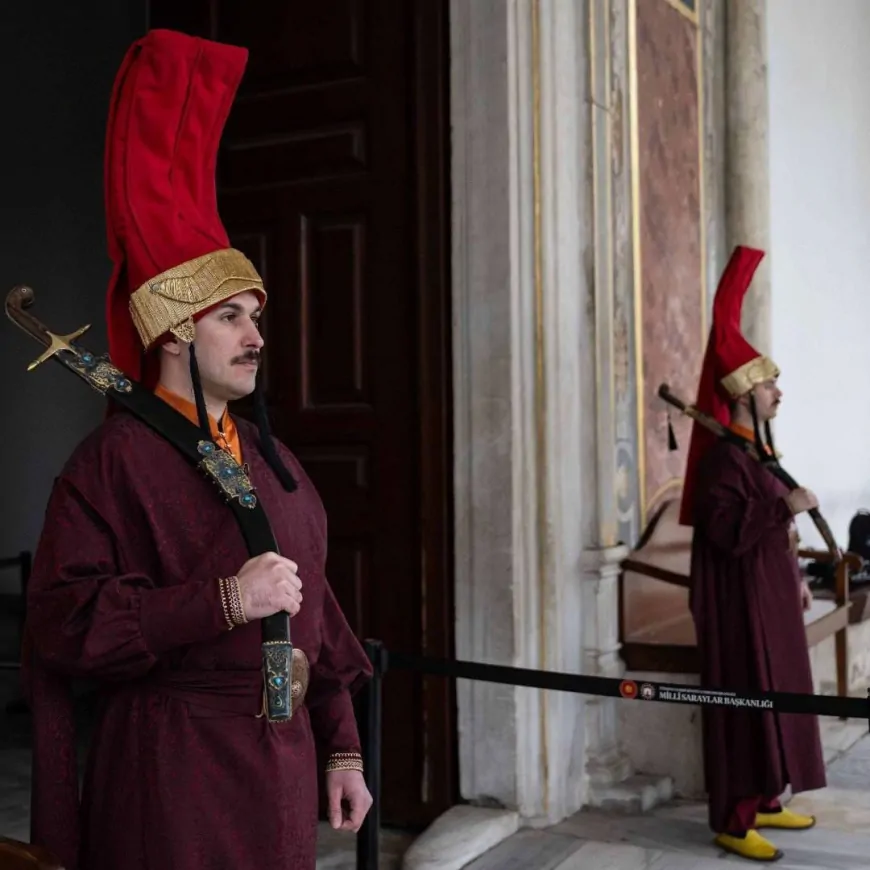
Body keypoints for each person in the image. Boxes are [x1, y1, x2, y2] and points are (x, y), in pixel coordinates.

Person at [22, 29, 373, 870]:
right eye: (234, 317)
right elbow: (64, 625)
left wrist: (343, 747)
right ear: (177, 329)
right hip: (169, 776)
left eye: (256, 315)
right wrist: (219, 600)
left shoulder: (272, 462)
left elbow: (317, 614)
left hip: (280, 777)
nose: (259, 335)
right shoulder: (111, 464)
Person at [679, 245, 825, 863]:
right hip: (740, 612)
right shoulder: (723, 463)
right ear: (741, 393)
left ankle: (766, 798)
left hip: (770, 602)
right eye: (769, 383)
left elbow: (767, 534)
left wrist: (794, 573)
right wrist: (782, 508)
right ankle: (733, 820)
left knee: (780, 696)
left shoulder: (755, 456)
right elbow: (727, 533)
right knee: (744, 707)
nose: (776, 392)